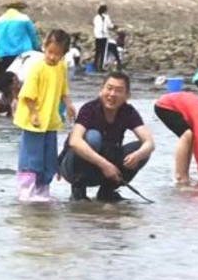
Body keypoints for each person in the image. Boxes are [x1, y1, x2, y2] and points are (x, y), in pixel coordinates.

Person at [59, 72, 154, 202]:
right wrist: (104, 165)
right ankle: (78, 192)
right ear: (101, 90)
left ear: (127, 96)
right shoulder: (90, 109)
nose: (112, 94)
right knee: (93, 137)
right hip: (73, 167)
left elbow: (149, 143)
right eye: (109, 88)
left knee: (141, 149)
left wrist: (138, 155)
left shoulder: (128, 111)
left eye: (119, 90)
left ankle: (107, 192)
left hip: (106, 165)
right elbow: (74, 141)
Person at [14, 29, 76, 202]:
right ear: (44, 48)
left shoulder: (61, 67)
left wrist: (69, 104)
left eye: (57, 54)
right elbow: (27, 95)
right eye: (50, 52)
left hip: (50, 119)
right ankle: (26, 190)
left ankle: (43, 190)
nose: (52, 57)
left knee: (48, 157)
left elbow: (63, 88)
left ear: (64, 54)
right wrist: (33, 114)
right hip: (33, 119)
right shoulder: (38, 67)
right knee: (31, 155)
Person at [0, 0, 39, 74]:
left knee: (5, 78)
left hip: (3, 54)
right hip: (23, 54)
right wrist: (36, 49)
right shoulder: (24, 19)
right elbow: (33, 36)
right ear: (19, 8)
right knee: (22, 77)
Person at [93, 4, 121, 72]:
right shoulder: (104, 17)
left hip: (99, 36)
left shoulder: (97, 17)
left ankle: (96, 66)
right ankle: (100, 67)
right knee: (102, 52)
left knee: (98, 51)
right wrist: (114, 26)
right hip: (102, 36)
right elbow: (109, 25)